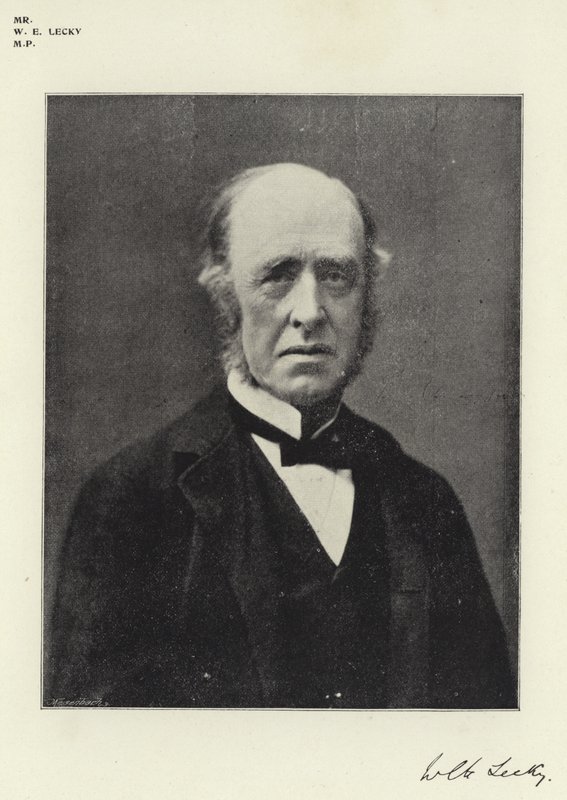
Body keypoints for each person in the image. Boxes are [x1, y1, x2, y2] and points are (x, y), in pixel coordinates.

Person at [48, 163, 515, 708]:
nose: (310, 312)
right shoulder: (131, 501)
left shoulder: (425, 500)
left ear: (367, 297)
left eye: (336, 275)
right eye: (278, 276)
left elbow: (483, 721)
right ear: (226, 295)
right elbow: (90, 742)